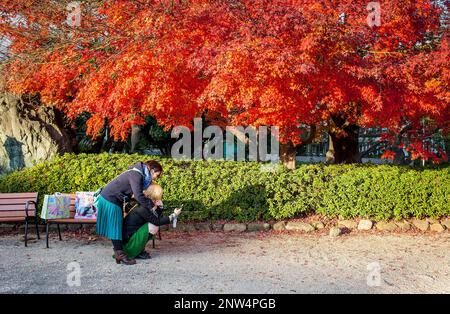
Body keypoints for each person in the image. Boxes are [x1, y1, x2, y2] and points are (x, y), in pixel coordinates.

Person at [94, 160, 163, 265]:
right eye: (157, 175)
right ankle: (120, 255)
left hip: (113, 198)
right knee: (115, 226)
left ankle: (122, 253)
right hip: (110, 198)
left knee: (117, 225)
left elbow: (135, 195)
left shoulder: (138, 174)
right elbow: (139, 195)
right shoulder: (137, 175)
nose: (155, 179)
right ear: (152, 170)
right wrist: (151, 205)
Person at [122, 184, 182, 261]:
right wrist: (174, 215)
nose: (159, 199)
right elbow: (157, 221)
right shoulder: (143, 207)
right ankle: (136, 251)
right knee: (153, 226)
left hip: (130, 236)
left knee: (153, 225)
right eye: (157, 197)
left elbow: (155, 217)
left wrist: (160, 207)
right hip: (128, 241)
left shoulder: (144, 203)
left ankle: (139, 250)